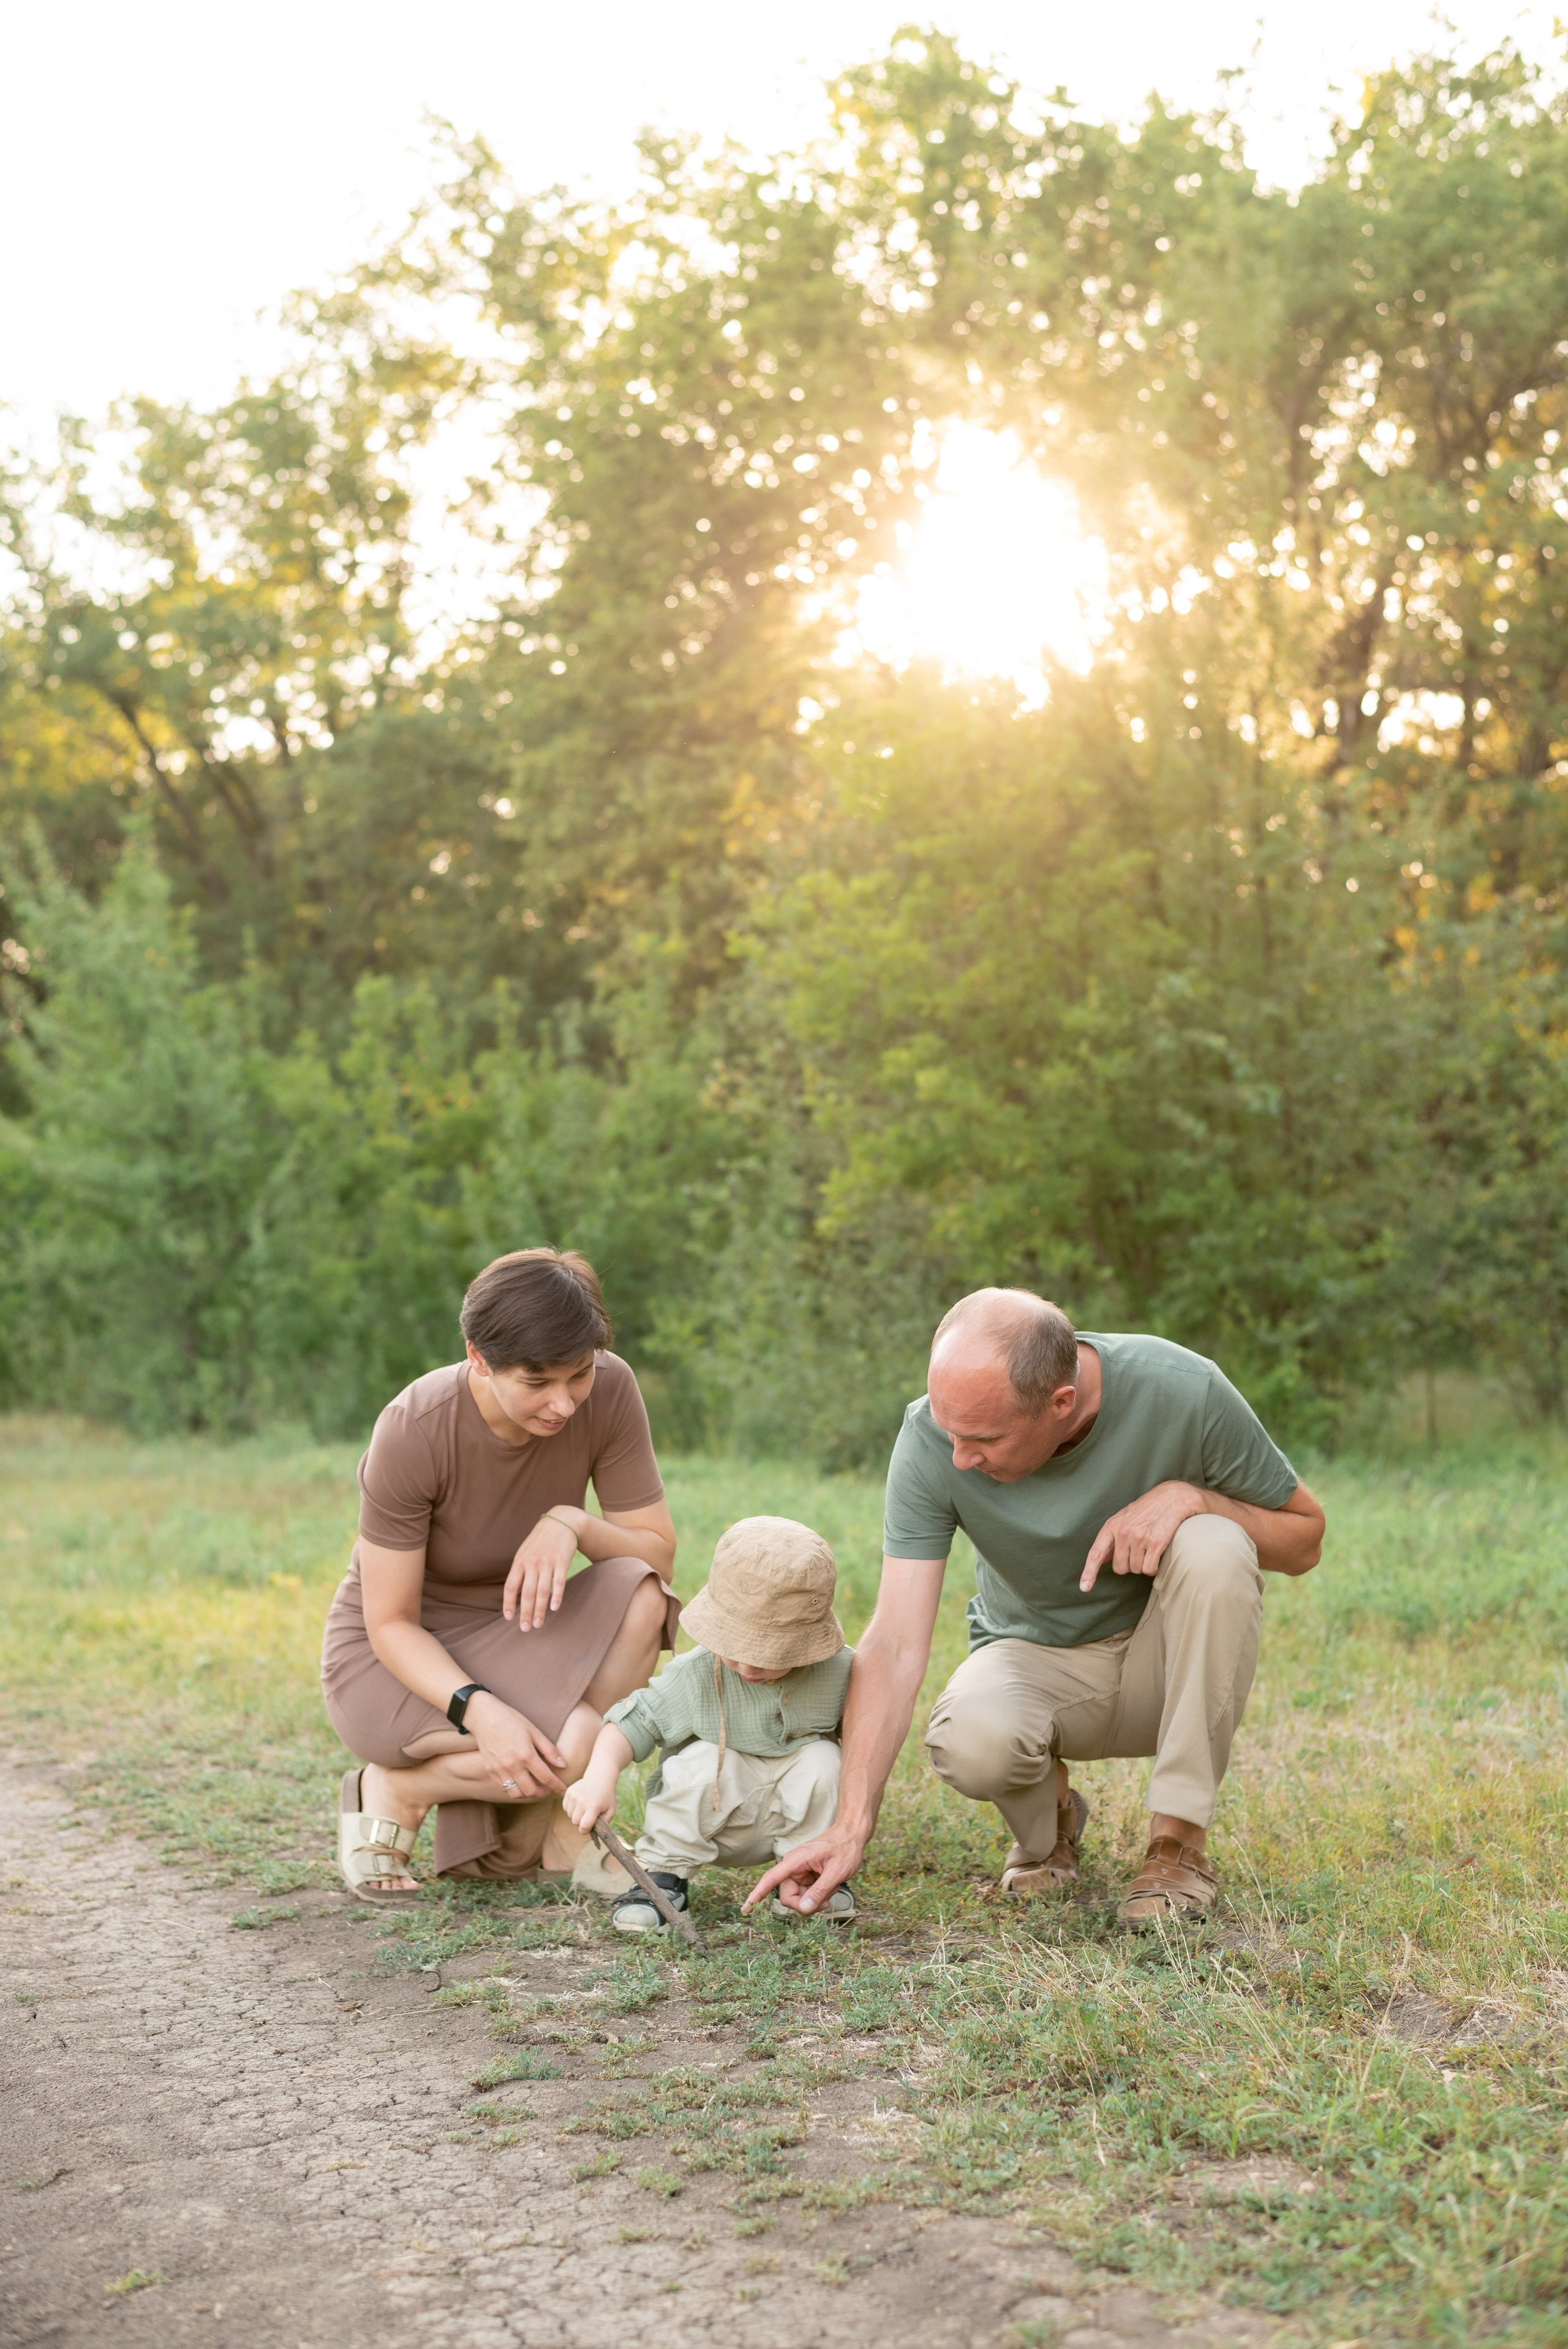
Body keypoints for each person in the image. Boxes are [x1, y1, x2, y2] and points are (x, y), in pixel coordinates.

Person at [745, 1291, 1325, 1928]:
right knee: (970, 1737)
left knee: (1213, 1540)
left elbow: (1304, 1538)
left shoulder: (1183, 1390)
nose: (960, 1458)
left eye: (983, 1439)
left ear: (1060, 1404)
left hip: (1167, 1665)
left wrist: (1194, 1499)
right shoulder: (928, 1437)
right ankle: (1049, 1830)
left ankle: (1177, 1843)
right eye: (950, 1432)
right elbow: (894, 1642)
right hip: (1036, 1663)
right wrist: (850, 1825)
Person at [322, 1247, 680, 1902]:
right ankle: (396, 1785)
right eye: (536, 1382)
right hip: (401, 1653)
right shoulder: (413, 1427)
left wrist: (572, 1520)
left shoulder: (612, 1386)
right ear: (478, 1358)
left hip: (524, 1624)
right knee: (566, 1749)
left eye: (579, 1375)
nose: (565, 1403)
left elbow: (655, 1554)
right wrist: (479, 1710)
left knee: (643, 1595)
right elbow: (391, 1621)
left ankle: (535, 1809)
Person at [563, 1516, 856, 1930]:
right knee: (700, 1760)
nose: (750, 1664)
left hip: (794, 1816)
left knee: (826, 1759)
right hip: (716, 1819)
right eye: (738, 1647)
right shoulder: (696, 1673)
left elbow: (870, 1741)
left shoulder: (841, 1671)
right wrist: (598, 1776)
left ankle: (806, 1874)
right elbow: (632, 1722)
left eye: (772, 1652)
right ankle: (664, 1878)